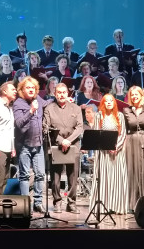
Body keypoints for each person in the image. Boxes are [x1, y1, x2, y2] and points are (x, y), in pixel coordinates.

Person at [13, 77, 53, 214]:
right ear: (22, 90)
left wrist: (61, 100)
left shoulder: (38, 100)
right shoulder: (18, 103)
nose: (31, 90)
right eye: (28, 87)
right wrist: (31, 111)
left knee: (40, 174)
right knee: (24, 175)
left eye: (33, 88)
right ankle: (25, 205)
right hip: (24, 144)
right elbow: (19, 123)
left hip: (38, 144)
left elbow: (47, 102)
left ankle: (38, 203)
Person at [43, 83, 84, 214]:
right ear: (55, 94)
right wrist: (62, 141)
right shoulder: (49, 108)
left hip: (73, 145)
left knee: (73, 177)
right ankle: (57, 202)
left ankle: (71, 203)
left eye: (64, 92)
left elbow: (80, 127)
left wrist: (68, 141)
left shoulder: (76, 108)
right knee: (55, 177)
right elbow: (46, 128)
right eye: (59, 92)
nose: (62, 95)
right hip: (56, 145)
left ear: (67, 93)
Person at [89, 94, 129, 215]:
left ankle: (117, 206)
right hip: (103, 152)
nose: (109, 102)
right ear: (103, 103)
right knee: (104, 178)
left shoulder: (120, 115)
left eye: (111, 100)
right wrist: (107, 146)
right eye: (106, 101)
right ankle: (103, 206)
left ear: (114, 103)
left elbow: (123, 133)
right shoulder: (98, 116)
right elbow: (97, 133)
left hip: (117, 152)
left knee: (117, 178)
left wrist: (116, 147)